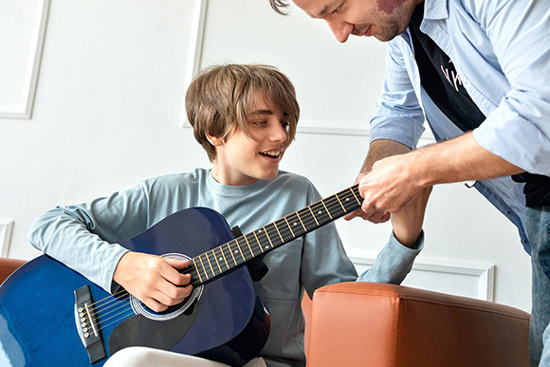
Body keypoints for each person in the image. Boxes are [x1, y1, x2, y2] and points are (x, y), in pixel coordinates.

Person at [268, 0, 550, 365]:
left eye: (336, 8)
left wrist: (414, 170)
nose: (339, 33)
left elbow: (542, 116)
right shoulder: (403, 15)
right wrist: (380, 168)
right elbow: (398, 111)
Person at [29, 63, 429, 367]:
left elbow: (346, 304)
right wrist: (124, 266)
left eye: (285, 122)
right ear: (215, 133)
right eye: (261, 123)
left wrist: (403, 241)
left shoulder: (298, 195)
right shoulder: (166, 193)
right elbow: (49, 225)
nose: (281, 136)